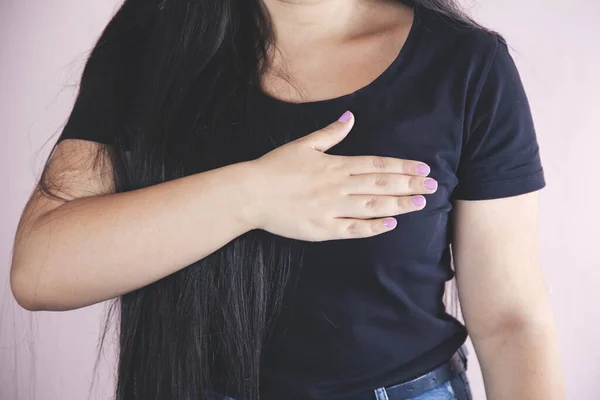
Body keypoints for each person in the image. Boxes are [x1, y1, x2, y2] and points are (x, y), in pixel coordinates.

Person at [10, 0, 565, 399]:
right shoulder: (148, 37)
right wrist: (252, 195)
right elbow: (41, 270)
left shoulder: (467, 63)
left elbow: (511, 320)